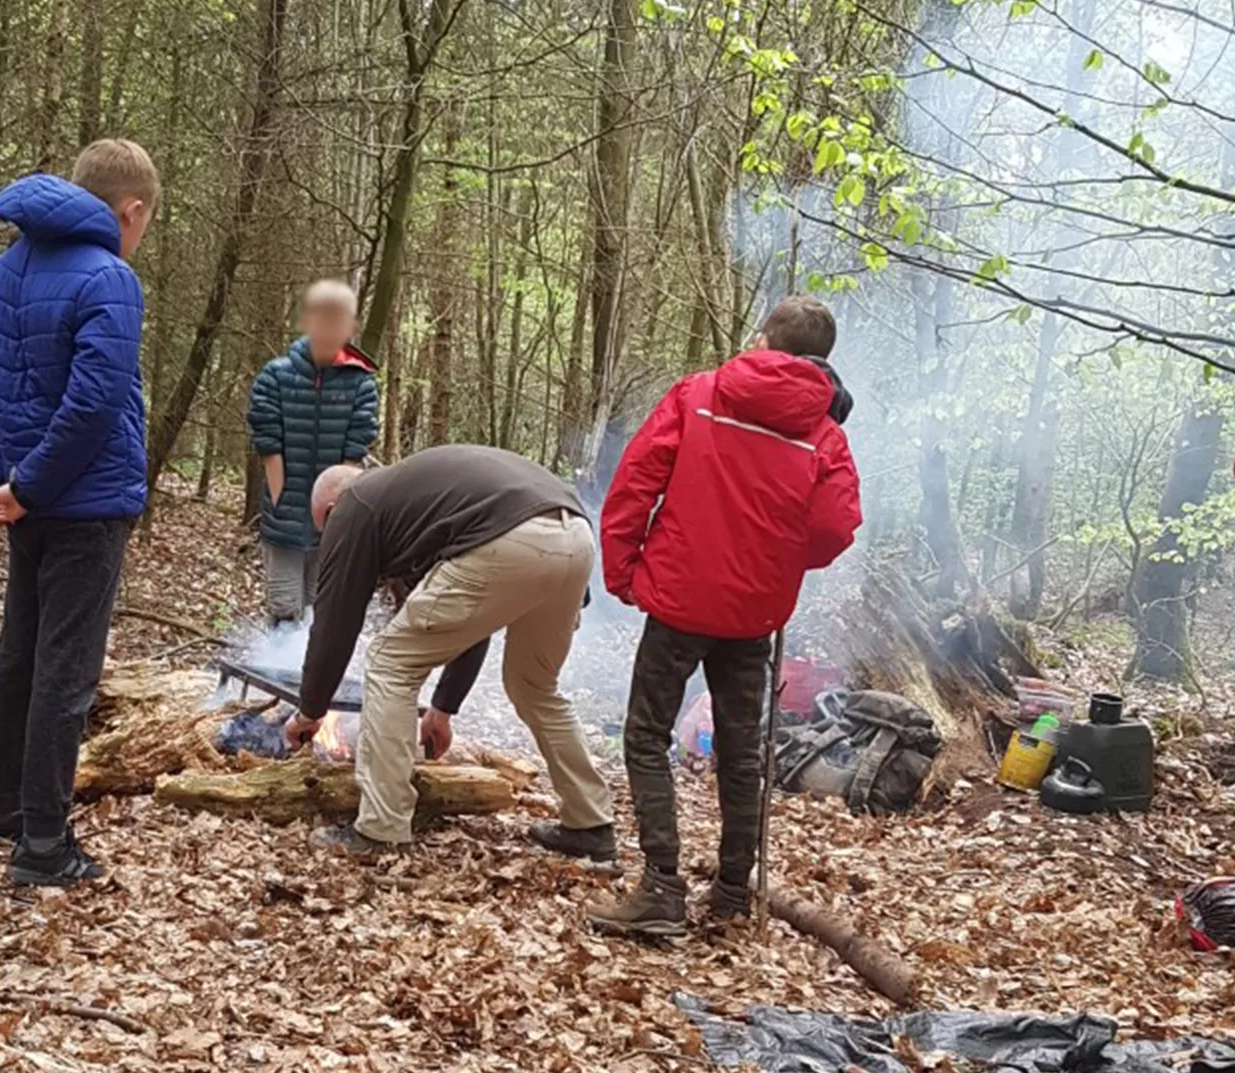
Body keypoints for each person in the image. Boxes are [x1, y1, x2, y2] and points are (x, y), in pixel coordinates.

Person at [587, 295, 862, 936]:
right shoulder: (824, 432)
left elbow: (635, 482)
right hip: (754, 613)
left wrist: (624, 570)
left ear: (765, 338)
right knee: (742, 751)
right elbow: (833, 527)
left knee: (646, 735)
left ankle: (661, 888)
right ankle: (734, 891)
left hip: (681, 598)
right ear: (822, 360)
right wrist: (780, 562)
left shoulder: (700, 393)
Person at [0, 139, 160, 887]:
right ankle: (43, 842)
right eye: (142, 224)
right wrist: (30, 486)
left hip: (27, 496)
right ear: (128, 211)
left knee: (21, 652)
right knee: (64, 670)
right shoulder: (110, 277)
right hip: (84, 502)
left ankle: (1, 805)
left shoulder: (3, 271)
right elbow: (94, 403)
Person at [279, 446, 616, 860]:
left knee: (389, 662)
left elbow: (334, 624)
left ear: (332, 508)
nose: (329, 540)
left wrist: (310, 710)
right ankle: (590, 823)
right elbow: (474, 617)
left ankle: (381, 828)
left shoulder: (357, 504)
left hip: (511, 537)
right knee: (534, 686)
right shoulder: (421, 499)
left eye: (325, 530)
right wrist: (442, 708)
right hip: (576, 537)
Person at [246, 281, 379, 625]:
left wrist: (339, 510)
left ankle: (314, 672)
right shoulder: (275, 376)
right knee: (284, 601)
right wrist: (280, 497)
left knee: (324, 601)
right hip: (285, 510)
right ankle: (278, 666)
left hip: (334, 512)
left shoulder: (361, 383)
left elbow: (357, 444)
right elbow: (267, 437)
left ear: (351, 327)